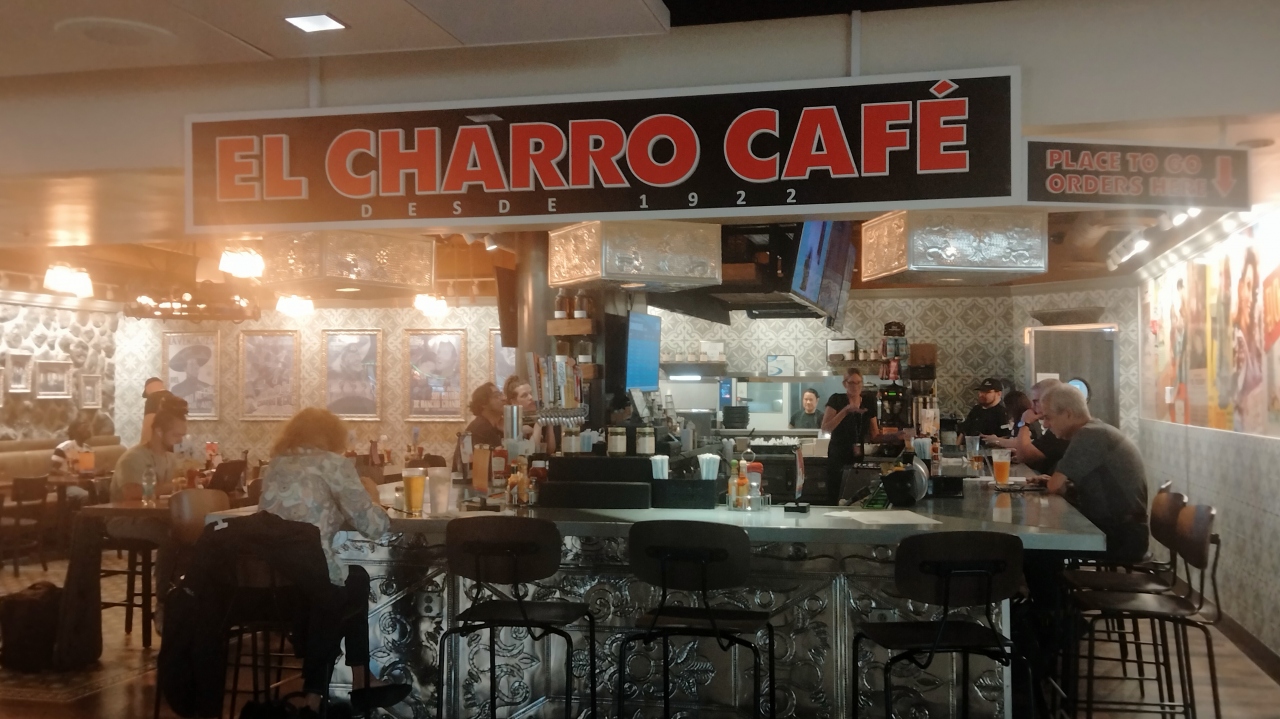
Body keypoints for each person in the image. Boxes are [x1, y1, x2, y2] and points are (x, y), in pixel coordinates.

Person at [257, 407, 393, 713]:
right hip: (314, 578)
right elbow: (373, 526)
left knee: (350, 581)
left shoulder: (275, 466)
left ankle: (347, 684)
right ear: (333, 436)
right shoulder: (334, 464)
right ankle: (338, 688)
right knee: (346, 584)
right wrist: (373, 499)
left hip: (273, 583)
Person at [1029, 384, 1149, 562]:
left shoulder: (1089, 435)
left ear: (1068, 414)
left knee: (1035, 548)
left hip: (1122, 537)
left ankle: (1052, 582)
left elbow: (1054, 486)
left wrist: (1053, 483)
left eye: (1048, 417)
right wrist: (1055, 483)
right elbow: (1067, 486)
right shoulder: (1096, 430)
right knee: (1040, 545)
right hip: (1122, 529)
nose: (1046, 424)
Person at [109, 397, 189, 627]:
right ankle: (163, 602)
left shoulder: (169, 458)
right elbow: (132, 493)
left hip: (153, 516)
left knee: (193, 533)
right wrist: (172, 486)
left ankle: (183, 597)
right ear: (159, 432)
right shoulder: (134, 457)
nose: (180, 440)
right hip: (123, 520)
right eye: (176, 435)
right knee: (171, 535)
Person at [820, 369, 904, 505]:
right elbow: (825, 428)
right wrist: (845, 411)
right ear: (844, 384)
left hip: (857, 459)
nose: (855, 386)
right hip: (837, 458)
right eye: (851, 383)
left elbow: (874, 436)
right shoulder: (836, 400)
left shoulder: (868, 402)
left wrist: (896, 436)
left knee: (856, 498)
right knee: (835, 498)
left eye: (858, 383)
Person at [984, 378, 1071, 474]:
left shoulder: (1061, 428)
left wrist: (1025, 422)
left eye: (1036, 401)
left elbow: (1025, 455)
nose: (1032, 406)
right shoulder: (1054, 429)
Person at [504, 375, 556, 451]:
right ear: (514, 402)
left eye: (531, 393)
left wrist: (550, 425)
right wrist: (539, 423)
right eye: (524, 395)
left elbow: (550, 450)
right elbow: (532, 451)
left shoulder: (537, 414)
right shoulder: (513, 424)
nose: (531, 397)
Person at [50, 420, 93, 507]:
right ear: (74, 431)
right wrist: (67, 475)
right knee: (88, 496)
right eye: (84, 427)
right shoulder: (63, 448)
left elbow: (86, 472)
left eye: (88, 427)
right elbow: (53, 470)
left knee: (102, 494)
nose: (88, 429)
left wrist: (97, 472)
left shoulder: (87, 449)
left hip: (83, 485)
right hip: (66, 487)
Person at [464, 382, 505, 448]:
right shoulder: (479, 429)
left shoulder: (498, 427)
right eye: (496, 396)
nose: (503, 398)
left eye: (501, 394)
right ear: (483, 403)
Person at [139, 376, 166, 445]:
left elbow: (148, 427)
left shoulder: (153, 398)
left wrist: (142, 446)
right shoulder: (173, 397)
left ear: (148, 389)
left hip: (158, 446)